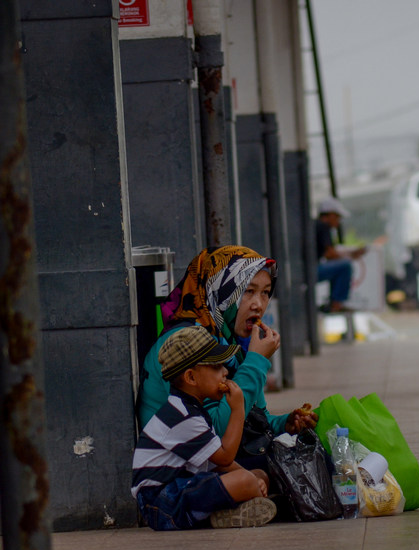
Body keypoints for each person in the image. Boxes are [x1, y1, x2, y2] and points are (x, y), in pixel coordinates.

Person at [137, 246, 317, 450]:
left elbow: (255, 417)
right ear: (220, 291)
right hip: (177, 470)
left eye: (265, 292)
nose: (258, 304)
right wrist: (256, 361)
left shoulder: (227, 340)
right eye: (248, 291)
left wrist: (286, 424)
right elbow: (218, 433)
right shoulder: (187, 341)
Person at [132, 325, 276, 530]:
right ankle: (219, 513)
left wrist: (253, 478)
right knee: (246, 479)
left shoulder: (191, 410)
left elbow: (219, 463)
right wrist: (237, 410)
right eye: (217, 367)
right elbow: (225, 457)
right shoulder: (181, 416)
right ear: (191, 378)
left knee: (258, 475)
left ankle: (224, 513)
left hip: (183, 489)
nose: (226, 372)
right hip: (161, 503)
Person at [315, 197, 366, 312]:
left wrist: (350, 254)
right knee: (344, 267)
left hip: (305, 270)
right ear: (331, 215)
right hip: (310, 271)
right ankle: (336, 305)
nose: (338, 222)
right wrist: (350, 256)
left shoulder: (316, 225)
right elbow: (330, 254)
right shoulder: (323, 227)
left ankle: (334, 302)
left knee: (339, 266)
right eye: (337, 217)